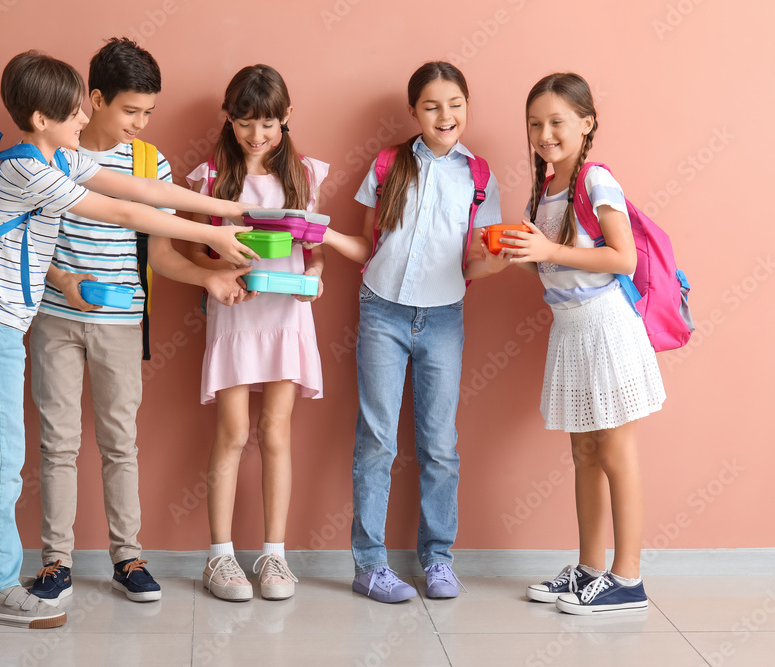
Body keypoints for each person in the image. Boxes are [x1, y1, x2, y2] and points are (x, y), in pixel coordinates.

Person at [0, 50, 257, 628]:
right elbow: (120, 211)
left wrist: (225, 210)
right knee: (1, 458)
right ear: (43, 118)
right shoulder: (31, 168)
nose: (84, 122)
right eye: (74, 113)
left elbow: (144, 192)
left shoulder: (55, 156)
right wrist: (212, 232)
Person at [24, 38, 252, 608]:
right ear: (94, 99)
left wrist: (208, 278)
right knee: (57, 444)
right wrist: (62, 280)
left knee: (119, 443)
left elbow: (161, 252)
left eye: (149, 111)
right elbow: (24, 240)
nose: (140, 122)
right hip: (54, 319)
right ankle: (56, 563)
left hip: (123, 321)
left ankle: (128, 558)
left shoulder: (151, 164)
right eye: (131, 110)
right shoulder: (51, 154)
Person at [318, 62, 504, 603]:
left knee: (440, 445)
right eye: (431, 106)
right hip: (382, 310)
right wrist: (322, 239)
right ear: (413, 112)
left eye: (455, 104)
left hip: (445, 316)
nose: (445, 116)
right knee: (376, 438)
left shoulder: (480, 177)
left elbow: (476, 259)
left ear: (467, 106)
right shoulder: (386, 166)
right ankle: (370, 565)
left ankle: (438, 559)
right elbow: (368, 243)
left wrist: (512, 258)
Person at [498, 72, 664, 615]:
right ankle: (591, 569)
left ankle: (629, 578)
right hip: (571, 329)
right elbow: (558, 268)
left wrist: (548, 248)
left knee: (616, 453)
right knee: (584, 453)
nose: (544, 133)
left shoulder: (597, 180)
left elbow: (623, 259)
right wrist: (525, 255)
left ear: (587, 123)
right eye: (534, 124)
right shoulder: (547, 189)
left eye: (557, 122)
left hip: (606, 328)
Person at [185, 64, 328, 602]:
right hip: (235, 313)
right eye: (245, 122)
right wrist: (217, 265)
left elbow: (313, 253)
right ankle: (220, 557)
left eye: (267, 122)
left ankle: (275, 554)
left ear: (286, 118)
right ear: (229, 119)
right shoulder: (211, 177)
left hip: (287, 315)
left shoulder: (305, 175)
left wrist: (312, 277)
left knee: (276, 433)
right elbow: (192, 247)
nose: (256, 134)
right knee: (232, 432)